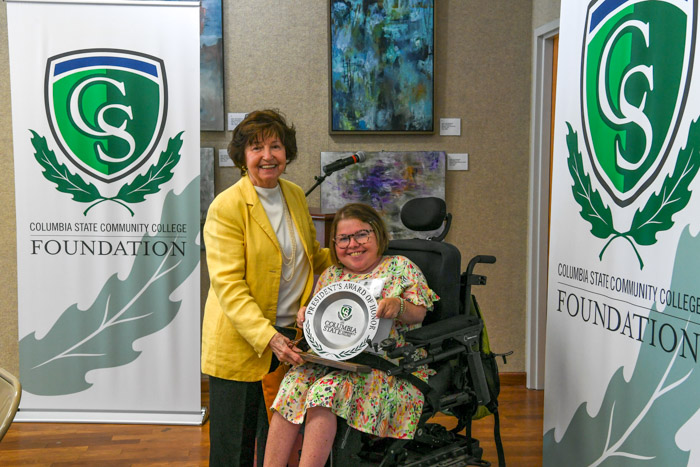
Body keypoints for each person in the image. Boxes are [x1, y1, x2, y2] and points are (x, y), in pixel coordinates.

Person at [201, 109, 331, 467]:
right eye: (256, 147)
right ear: (243, 157)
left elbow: (309, 256)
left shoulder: (293, 196)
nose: (268, 155)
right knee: (234, 451)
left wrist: (357, 258)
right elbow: (228, 285)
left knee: (277, 447)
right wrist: (268, 337)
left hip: (291, 338)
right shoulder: (226, 207)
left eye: (276, 146)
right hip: (242, 343)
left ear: (286, 154)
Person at [264, 203, 439, 467]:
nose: (352, 244)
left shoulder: (400, 267)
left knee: (326, 392)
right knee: (293, 384)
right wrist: (306, 315)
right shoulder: (332, 275)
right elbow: (320, 321)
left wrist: (399, 306)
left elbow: (420, 313)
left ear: (377, 234)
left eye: (361, 235)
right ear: (334, 244)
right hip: (336, 361)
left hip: (390, 367)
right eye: (343, 238)